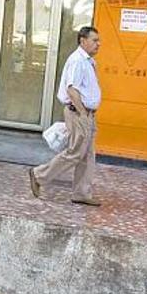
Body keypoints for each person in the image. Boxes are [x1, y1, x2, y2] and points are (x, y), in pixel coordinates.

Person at [28, 26, 101, 206]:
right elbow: (71, 88)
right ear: (83, 41)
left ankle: (81, 193)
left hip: (87, 114)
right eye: (94, 41)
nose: (98, 44)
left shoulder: (88, 61)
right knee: (75, 153)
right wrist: (83, 113)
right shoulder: (77, 61)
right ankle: (39, 175)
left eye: (98, 41)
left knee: (87, 155)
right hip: (78, 113)